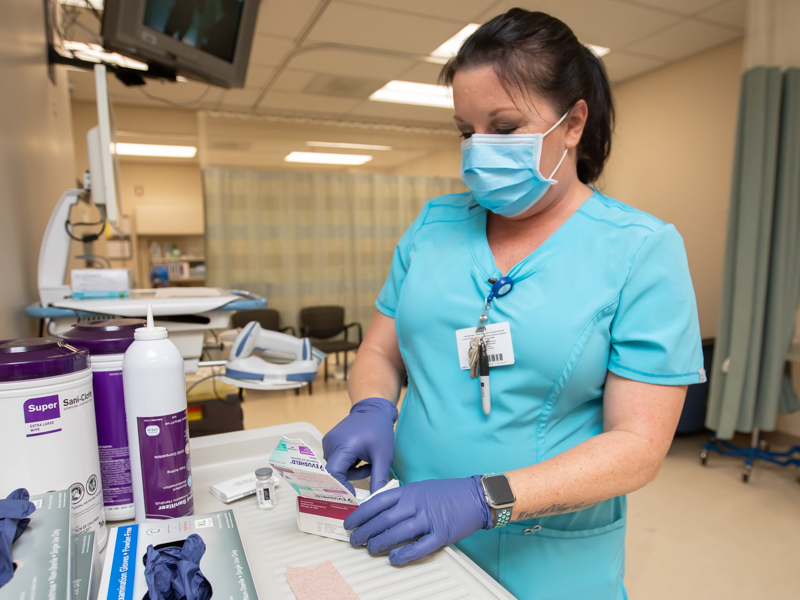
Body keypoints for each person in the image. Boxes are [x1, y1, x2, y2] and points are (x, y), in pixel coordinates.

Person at [322, 8, 704, 600]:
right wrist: (372, 407)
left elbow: (638, 447)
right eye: (466, 131)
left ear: (573, 123)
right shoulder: (434, 226)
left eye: (503, 128)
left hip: (545, 553)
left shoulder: (640, 250)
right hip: (408, 525)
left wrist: (482, 497)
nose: (479, 150)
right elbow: (381, 347)